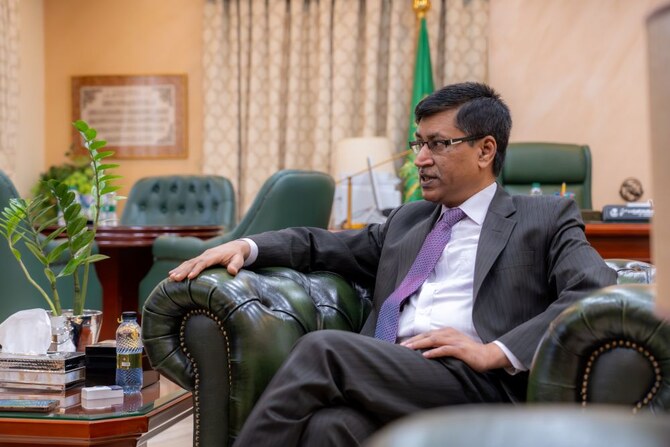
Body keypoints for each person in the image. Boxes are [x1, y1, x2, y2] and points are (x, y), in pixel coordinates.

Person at [169, 82, 617, 446]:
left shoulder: (544, 217)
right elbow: (321, 244)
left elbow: (594, 289)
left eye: (438, 144)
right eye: (419, 143)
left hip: (479, 385)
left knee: (324, 350)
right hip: (393, 373)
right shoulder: (409, 221)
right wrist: (247, 246)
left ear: (485, 151)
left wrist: (494, 351)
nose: (420, 159)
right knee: (330, 428)